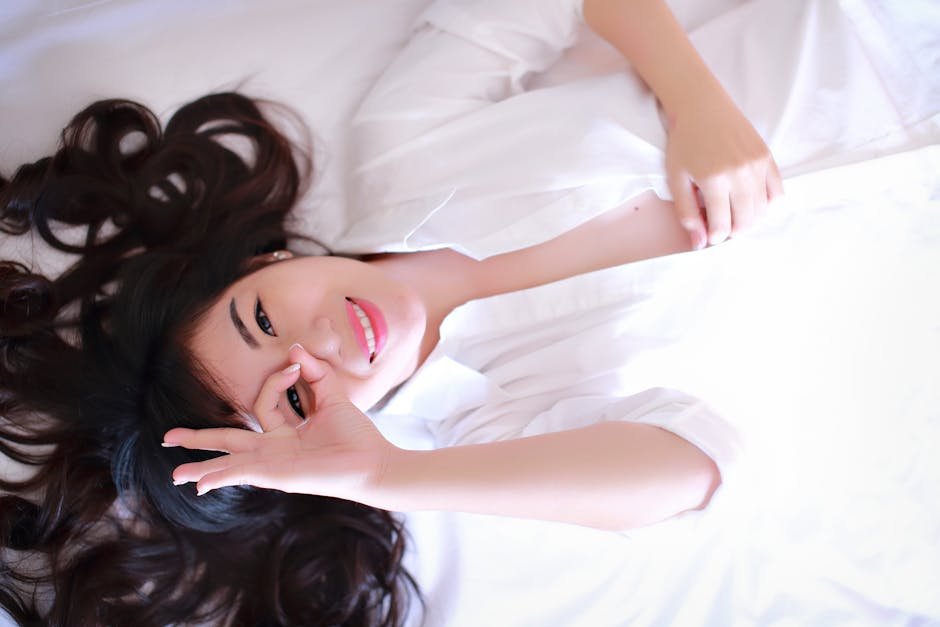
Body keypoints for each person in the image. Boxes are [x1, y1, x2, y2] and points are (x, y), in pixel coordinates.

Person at [0, 0, 781, 625]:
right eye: (296, 397)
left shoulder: (402, 146)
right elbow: (695, 468)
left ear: (261, 264)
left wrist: (694, 100)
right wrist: (388, 476)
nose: (324, 344)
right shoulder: (487, 421)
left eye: (265, 320)